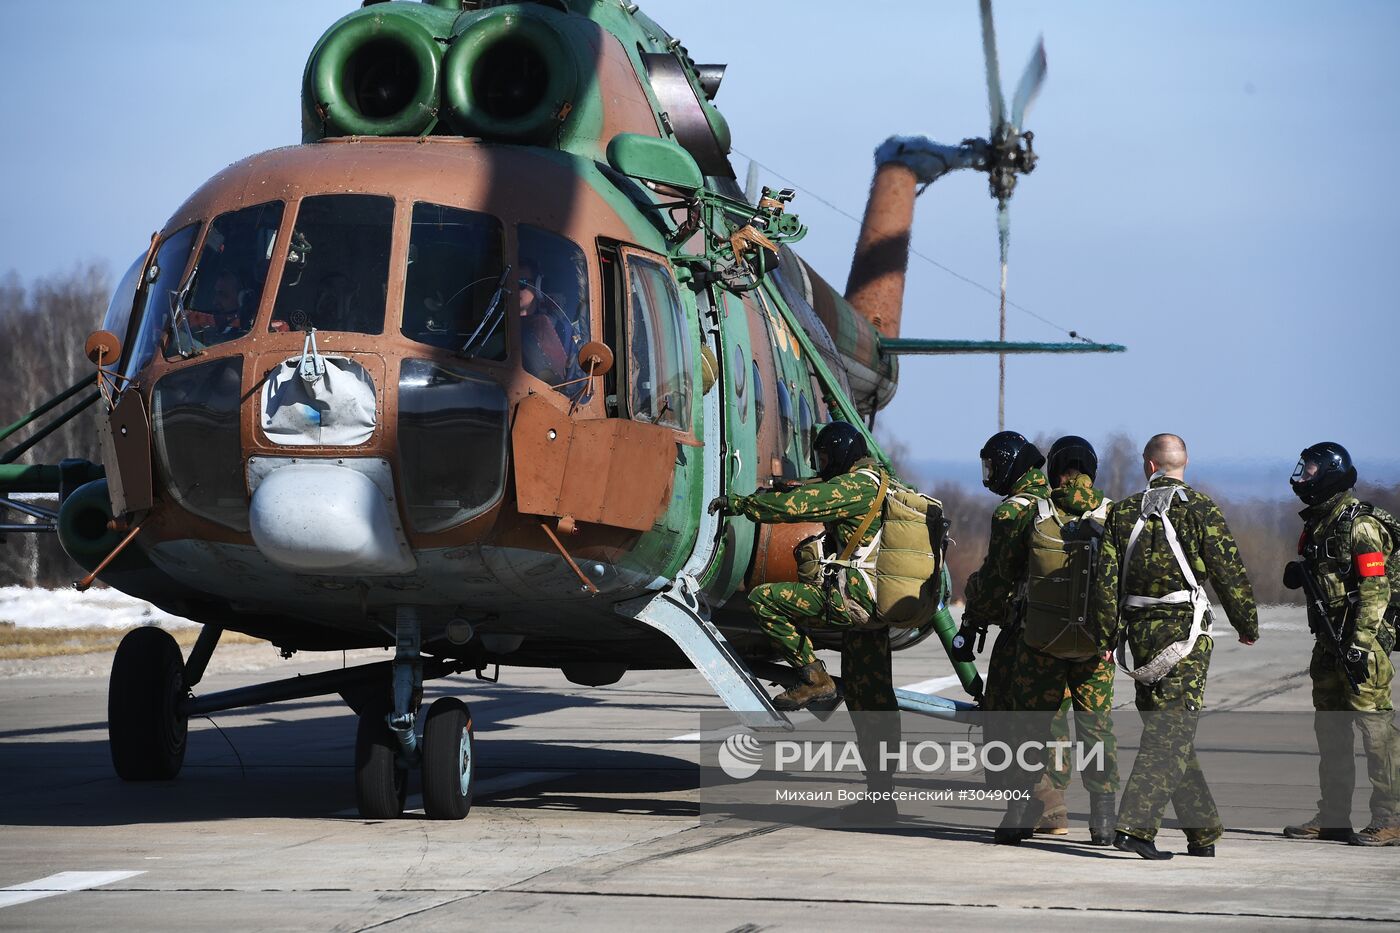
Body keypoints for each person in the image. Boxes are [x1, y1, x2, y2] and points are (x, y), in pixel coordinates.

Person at [1092, 433, 1258, 859]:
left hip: (1139, 637)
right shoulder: (1200, 509)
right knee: (1170, 734)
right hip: (1184, 635)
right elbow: (1228, 571)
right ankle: (1136, 828)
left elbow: (1106, 585)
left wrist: (1107, 637)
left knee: (1169, 733)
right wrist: (1246, 623)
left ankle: (1202, 834)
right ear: (1183, 464)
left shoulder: (1122, 512)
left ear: (1150, 466)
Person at [710, 421, 889, 712]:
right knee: (871, 697)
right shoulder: (880, 482)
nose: (824, 467)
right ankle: (883, 756)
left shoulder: (853, 487)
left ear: (841, 455)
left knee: (764, 599)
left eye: (827, 459)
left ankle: (815, 679)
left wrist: (742, 505)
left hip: (855, 600)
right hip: (879, 602)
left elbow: (796, 507)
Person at [998, 436, 1119, 846]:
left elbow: (1004, 573)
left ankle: (1017, 816)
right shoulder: (1115, 516)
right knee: (1096, 730)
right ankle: (1103, 821)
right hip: (1095, 649)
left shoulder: (1033, 514)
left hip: (1040, 645)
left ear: (1054, 472)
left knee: (1029, 730)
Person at [1282, 442, 1400, 846]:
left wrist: (1361, 643)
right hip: (1330, 643)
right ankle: (1333, 815)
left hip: (1361, 647)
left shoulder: (1359, 524)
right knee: (1330, 731)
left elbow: (1375, 589)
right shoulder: (1320, 522)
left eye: (1312, 470)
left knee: (1376, 733)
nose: (1304, 476)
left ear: (1331, 473)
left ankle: (1390, 819)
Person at [954, 431, 1050, 805]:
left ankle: (1021, 798)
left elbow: (996, 581)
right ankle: (1059, 802)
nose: (990, 475)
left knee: (1001, 709)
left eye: (993, 467)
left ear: (1010, 464)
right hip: (1070, 630)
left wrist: (972, 622)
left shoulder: (1013, 510)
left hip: (1024, 628)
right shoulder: (1058, 501)